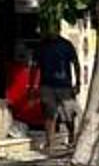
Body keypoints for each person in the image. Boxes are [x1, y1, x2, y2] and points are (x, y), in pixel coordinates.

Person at [35, 23, 81, 152]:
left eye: (54, 29)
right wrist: (33, 85)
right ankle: (50, 142)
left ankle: (71, 136)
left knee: (68, 115)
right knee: (49, 114)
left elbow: (76, 63)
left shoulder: (66, 45)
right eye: (50, 29)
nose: (52, 32)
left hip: (64, 86)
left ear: (59, 29)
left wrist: (78, 83)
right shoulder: (42, 46)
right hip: (47, 85)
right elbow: (35, 66)